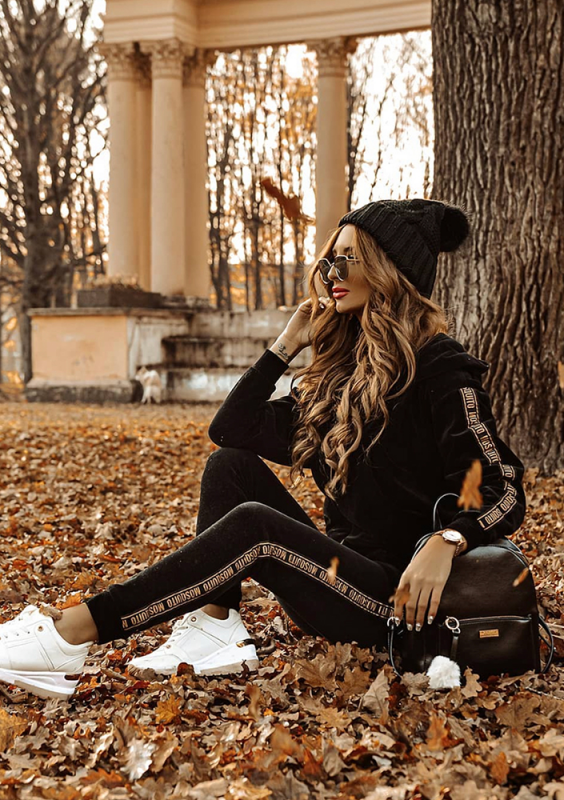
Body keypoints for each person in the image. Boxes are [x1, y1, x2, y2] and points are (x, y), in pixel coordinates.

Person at [0, 199, 526, 700]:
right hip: (331, 580)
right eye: (331, 260)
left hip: (396, 603)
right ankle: (214, 626)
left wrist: (448, 539)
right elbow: (231, 429)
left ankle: (70, 634)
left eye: (350, 258)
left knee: (257, 525)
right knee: (230, 467)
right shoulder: (338, 376)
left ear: (390, 271)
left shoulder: (440, 368)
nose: (334, 273)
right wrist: (284, 347)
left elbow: (502, 487)